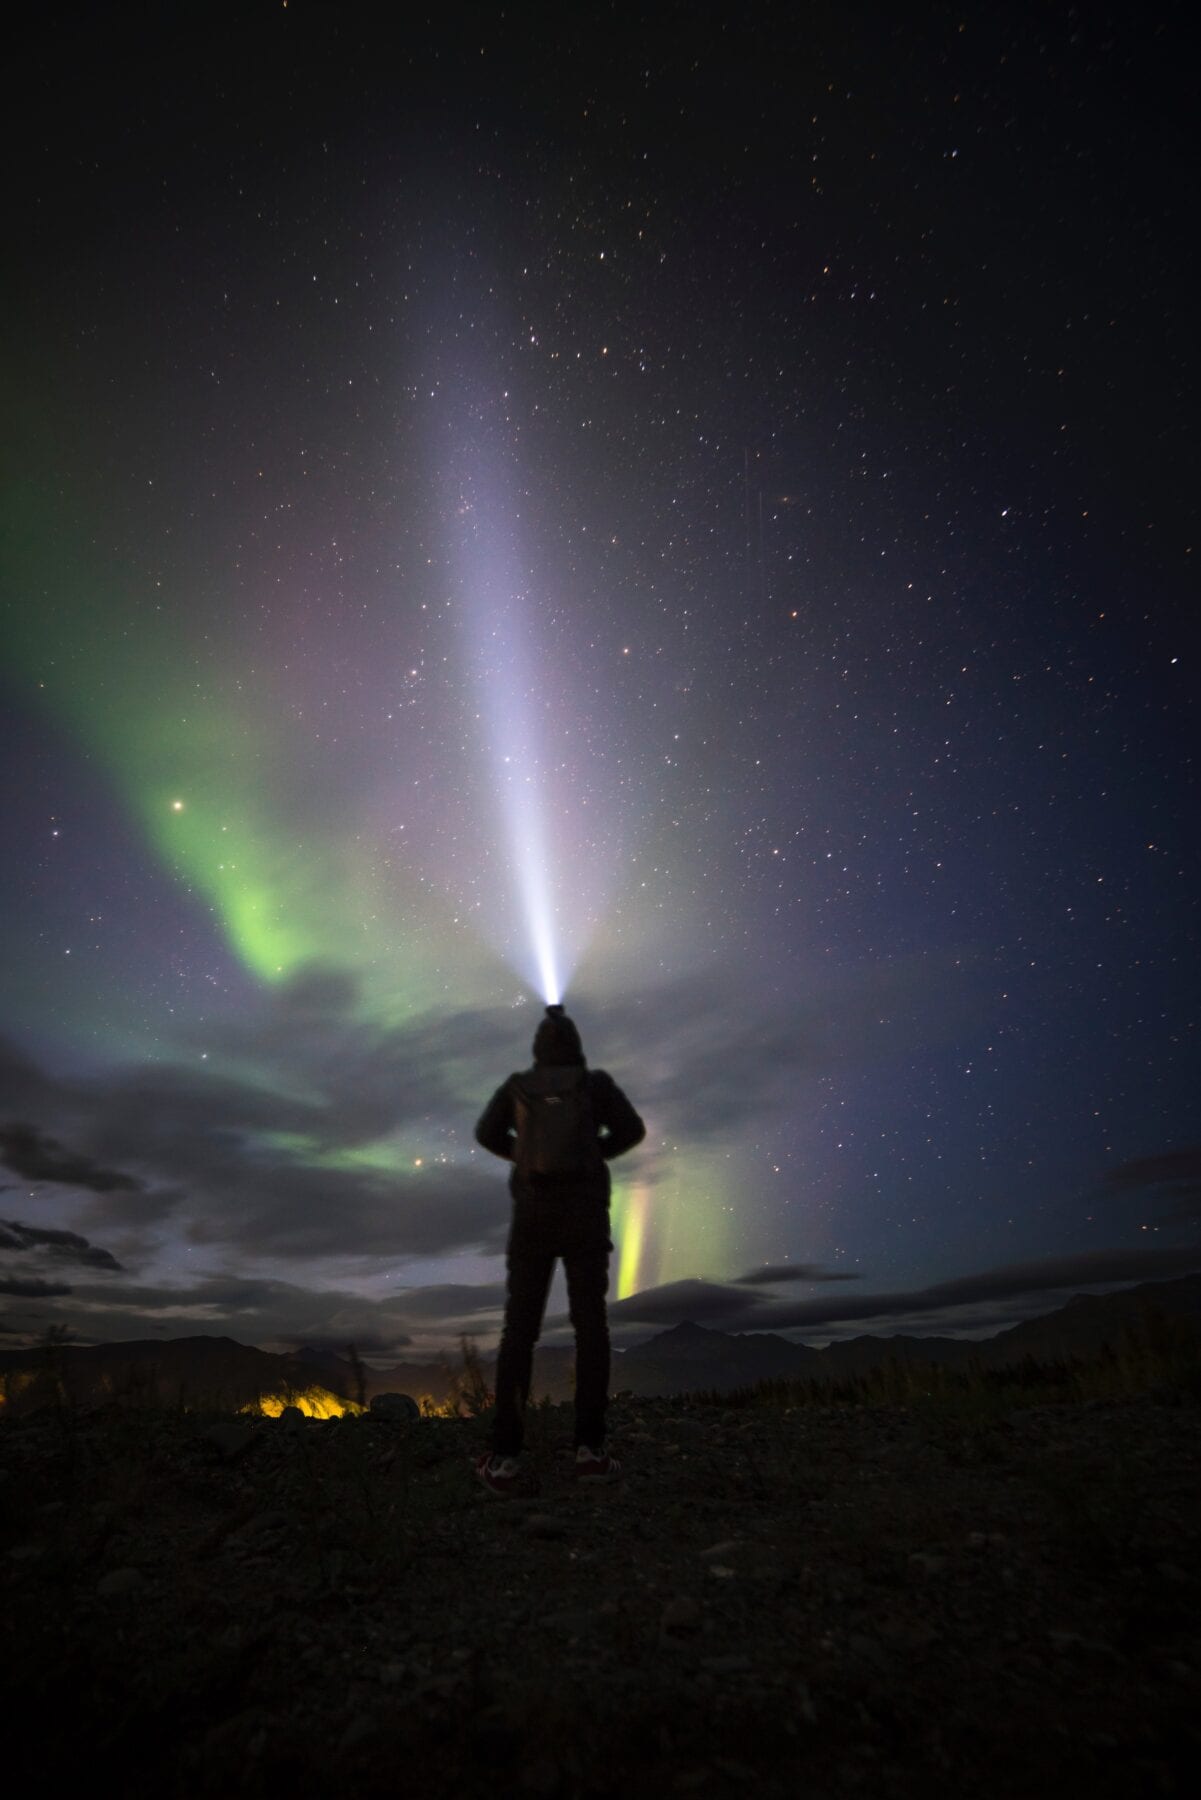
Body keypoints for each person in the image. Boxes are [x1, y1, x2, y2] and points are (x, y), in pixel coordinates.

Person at [473, 1002, 645, 1495]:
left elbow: (487, 1134)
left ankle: (505, 1459)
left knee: (519, 1332)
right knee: (591, 1327)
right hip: (586, 1215)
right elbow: (632, 1131)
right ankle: (590, 1453)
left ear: (537, 1047)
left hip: (533, 1216)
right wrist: (592, 1156)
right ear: (576, 1043)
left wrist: (524, 1156)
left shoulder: (517, 1087)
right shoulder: (596, 1086)